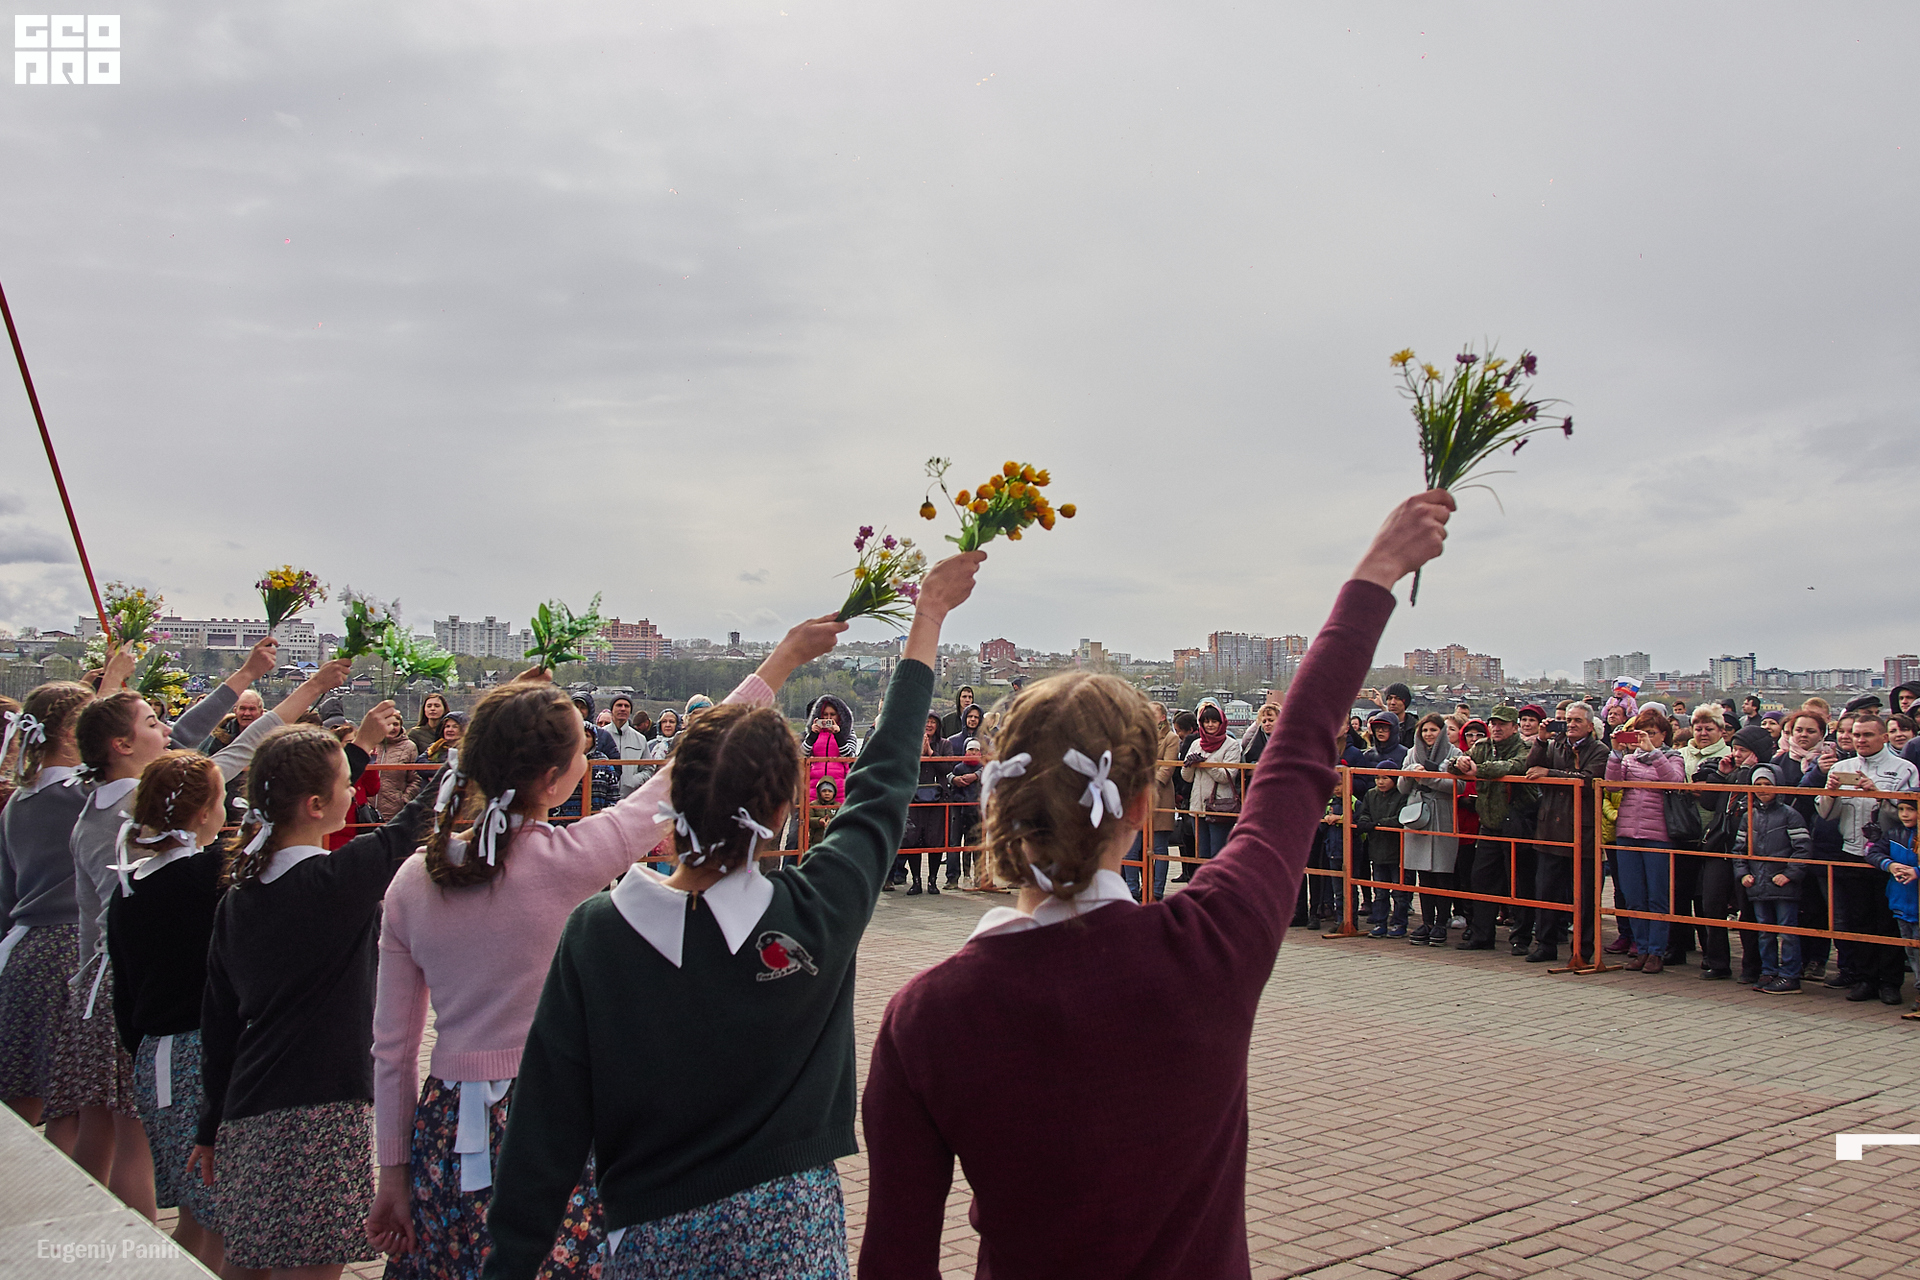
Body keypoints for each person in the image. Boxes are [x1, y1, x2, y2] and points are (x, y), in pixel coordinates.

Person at [855, 490, 1450, 1278]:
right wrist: (1376, 572)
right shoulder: (1211, 944)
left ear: (996, 801)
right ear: (1140, 805)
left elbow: (894, 1263)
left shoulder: (925, 1016)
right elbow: (1298, 757)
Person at [480, 551, 983, 1280]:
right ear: (783, 810)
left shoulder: (598, 933)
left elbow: (544, 1128)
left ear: (671, 801)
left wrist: (510, 1263)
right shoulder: (817, 911)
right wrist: (926, 618)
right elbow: (883, 782)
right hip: (793, 1242)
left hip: (651, 1243)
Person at [364, 620, 844, 1280]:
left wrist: (393, 1172)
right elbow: (678, 774)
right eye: (580, 752)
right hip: (554, 1127)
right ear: (554, 779)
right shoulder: (568, 861)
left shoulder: (412, 880)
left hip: (445, 1131)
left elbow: (391, 1049)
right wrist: (783, 660)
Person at [110, 701, 401, 1270]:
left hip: (185, 1069)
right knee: (262, 1243)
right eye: (223, 800)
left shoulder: (143, 882)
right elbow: (403, 831)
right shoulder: (228, 880)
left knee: (227, 1233)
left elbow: (149, 997)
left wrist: (198, 1105)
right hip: (275, 1083)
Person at [60, 657, 345, 1212]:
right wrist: (308, 688)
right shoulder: (199, 871)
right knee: (177, 1179)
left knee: (110, 1133)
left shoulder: (104, 829)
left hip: (119, 1000)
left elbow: (91, 916)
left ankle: (91, 1228)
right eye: (152, 722)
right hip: (185, 1025)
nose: (168, 729)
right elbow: (242, 749)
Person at [189, 720, 445, 1278]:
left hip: (246, 1109)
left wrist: (209, 1127)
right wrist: (469, 753)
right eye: (345, 781)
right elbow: (416, 821)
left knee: (245, 1262)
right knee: (312, 1269)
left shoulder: (237, 898)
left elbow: (218, 1026)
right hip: (322, 1110)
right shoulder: (332, 882)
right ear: (314, 805)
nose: (354, 789)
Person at [1814, 713, 1917, 1005]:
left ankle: (1890, 983)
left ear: (1884, 737)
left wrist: (1880, 795)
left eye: (1867, 735)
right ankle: (1865, 979)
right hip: (1852, 852)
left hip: (1890, 856)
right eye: (1856, 735)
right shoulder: (1841, 767)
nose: (1860, 740)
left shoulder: (1904, 768)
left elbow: (1911, 814)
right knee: (1858, 920)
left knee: (1888, 921)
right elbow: (1826, 814)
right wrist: (1831, 793)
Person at [1521, 703, 1607, 963]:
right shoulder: (1554, 745)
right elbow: (1531, 768)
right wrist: (1540, 740)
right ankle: (1545, 945)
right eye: (1568, 720)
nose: (1571, 725)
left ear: (1590, 726)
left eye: (1577, 721)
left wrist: (1551, 773)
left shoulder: (1599, 750)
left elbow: (1588, 779)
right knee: (1546, 892)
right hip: (1550, 828)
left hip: (1582, 831)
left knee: (1585, 896)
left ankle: (1583, 949)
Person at [1604, 707, 1685, 974]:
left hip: (1658, 835)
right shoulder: (1629, 760)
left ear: (1663, 735)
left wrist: (1654, 753)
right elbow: (1613, 785)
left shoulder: (1673, 757)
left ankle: (1656, 952)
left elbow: (1675, 781)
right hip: (1628, 832)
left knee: (1657, 896)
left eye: (1651, 733)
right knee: (1633, 895)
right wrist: (1616, 753)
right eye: (1641, 733)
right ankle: (1641, 948)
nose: (1645, 738)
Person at [1452, 706, 1538, 953]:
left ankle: (1521, 938)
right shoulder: (1482, 747)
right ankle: (1482, 935)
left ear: (1514, 727)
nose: (1497, 728)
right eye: (1493, 723)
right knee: (1482, 879)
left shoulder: (1524, 747)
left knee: (1520, 883)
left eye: (1502, 724)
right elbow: (1454, 766)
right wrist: (1459, 762)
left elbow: (1515, 766)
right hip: (1489, 824)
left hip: (1518, 823)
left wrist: (1478, 770)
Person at [1731, 763, 1811, 994]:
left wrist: (1789, 874)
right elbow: (1739, 850)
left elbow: (1803, 849)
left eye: (1768, 784)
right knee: (1765, 931)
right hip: (1758, 883)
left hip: (1783, 884)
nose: (1763, 789)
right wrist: (1743, 873)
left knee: (1788, 931)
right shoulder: (1749, 816)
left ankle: (1790, 975)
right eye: (1758, 784)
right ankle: (1768, 971)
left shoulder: (1790, 815)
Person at [1398, 713, 1464, 946]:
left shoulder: (1455, 753)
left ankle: (1441, 922)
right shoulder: (1411, 753)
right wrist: (1410, 773)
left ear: (1442, 731)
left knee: (1442, 872)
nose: (1428, 734)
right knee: (1423, 874)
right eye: (1424, 730)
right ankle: (1426, 922)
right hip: (1417, 813)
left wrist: (1427, 778)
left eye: (1433, 730)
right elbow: (1402, 787)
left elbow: (1458, 785)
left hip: (1442, 813)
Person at [1869, 797, 1919, 1019]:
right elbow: (1872, 852)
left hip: (1916, 900)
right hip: (1902, 902)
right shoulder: (1894, 833)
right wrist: (1891, 865)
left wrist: (1917, 871)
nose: (1905, 814)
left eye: (1911, 809)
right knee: (1912, 952)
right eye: (1901, 809)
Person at [1181, 701, 1243, 874]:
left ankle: (1218, 887)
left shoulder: (1231, 745)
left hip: (1219, 807)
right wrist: (1189, 765)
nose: (1210, 725)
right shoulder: (1196, 744)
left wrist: (1206, 764)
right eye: (1206, 721)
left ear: (1221, 723)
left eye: (1214, 721)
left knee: (1218, 854)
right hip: (1198, 807)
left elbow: (1227, 777)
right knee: (1202, 854)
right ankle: (1205, 887)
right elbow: (1187, 778)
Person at [1357, 770, 1409, 937]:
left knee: (1399, 892)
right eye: (1377, 778)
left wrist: (1378, 824)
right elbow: (1364, 813)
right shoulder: (1371, 794)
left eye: (1385, 778)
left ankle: (1399, 923)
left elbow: (1401, 818)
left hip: (1397, 849)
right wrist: (1366, 822)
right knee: (1380, 891)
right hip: (1377, 848)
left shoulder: (1402, 795)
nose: (1380, 782)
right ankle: (1380, 922)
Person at [372, 714, 422, 821]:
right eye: (388, 724)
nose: (392, 728)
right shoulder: (371, 744)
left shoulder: (409, 747)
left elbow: (416, 779)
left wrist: (404, 800)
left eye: (395, 724)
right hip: (368, 811)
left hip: (395, 811)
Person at [605, 696, 651, 802]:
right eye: (619, 705)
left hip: (631, 799)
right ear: (612, 709)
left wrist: (633, 781)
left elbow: (648, 769)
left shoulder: (640, 739)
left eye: (626, 706)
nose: (623, 709)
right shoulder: (601, 735)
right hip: (604, 799)